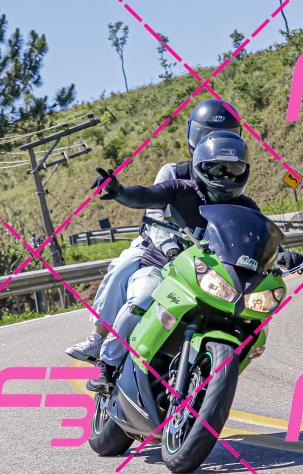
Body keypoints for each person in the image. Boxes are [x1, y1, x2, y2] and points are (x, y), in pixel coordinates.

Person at [84, 131, 303, 392]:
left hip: (208, 276)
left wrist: (282, 254)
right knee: (142, 298)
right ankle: (107, 364)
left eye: (233, 169)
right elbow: (145, 195)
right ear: (200, 167)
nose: (225, 176)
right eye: (216, 169)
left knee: (247, 320)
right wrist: (119, 191)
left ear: (244, 171)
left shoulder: (245, 207)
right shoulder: (180, 189)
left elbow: (260, 239)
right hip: (161, 267)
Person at [64, 99, 243, 363]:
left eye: (225, 135)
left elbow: (245, 222)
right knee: (123, 267)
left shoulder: (233, 182)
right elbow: (154, 210)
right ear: (193, 137)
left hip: (204, 257)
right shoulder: (174, 172)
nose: (216, 143)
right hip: (157, 246)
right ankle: (99, 337)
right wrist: (170, 246)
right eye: (207, 135)